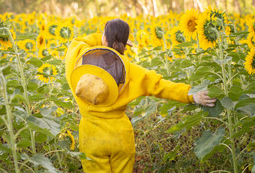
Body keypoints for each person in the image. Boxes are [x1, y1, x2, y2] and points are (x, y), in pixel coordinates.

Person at [65, 18, 216, 173]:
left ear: (104, 37)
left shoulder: (77, 59)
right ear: (123, 43)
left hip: (91, 139)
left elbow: (78, 41)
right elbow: (159, 85)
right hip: (120, 138)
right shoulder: (130, 70)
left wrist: (104, 38)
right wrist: (192, 95)